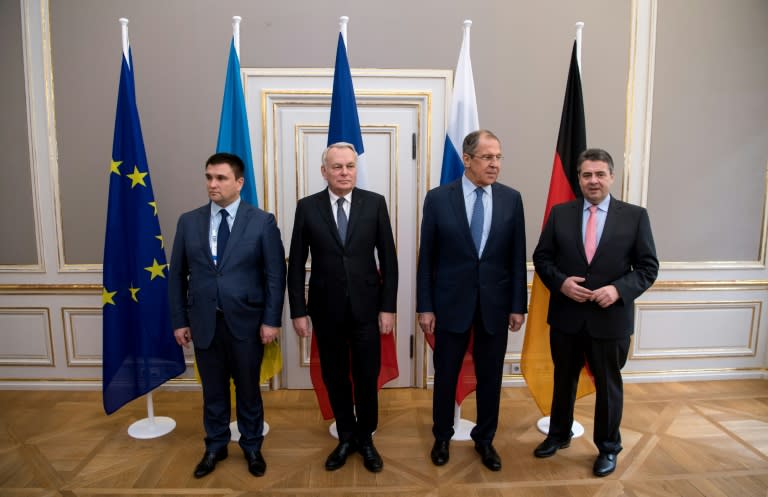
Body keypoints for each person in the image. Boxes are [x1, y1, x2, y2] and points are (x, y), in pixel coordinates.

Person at [532, 148, 658, 477]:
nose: (593, 180)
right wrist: (561, 284)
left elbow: (648, 268)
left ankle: (608, 448)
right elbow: (542, 258)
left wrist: (619, 290)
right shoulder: (560, 214)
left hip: (610, 319)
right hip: (567, 317)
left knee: (608, 386)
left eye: (600, 174)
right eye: (587, 174)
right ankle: (558, 435)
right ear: (579, 178)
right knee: (563, 380)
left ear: (611, 177)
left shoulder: (635, 216)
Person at [168, 152, 286, 478]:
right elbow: (176, 275)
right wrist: (179, 320)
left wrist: (271, 320)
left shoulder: (262, 222)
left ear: (239, 182)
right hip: (204, 324)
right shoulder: (189, 221)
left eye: (220, 178)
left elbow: (275, 276)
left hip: (247, 324)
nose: (212, 184)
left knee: (248, 389)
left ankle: (252, 447)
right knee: (213, 391)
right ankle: (215, 446)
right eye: (208, 177)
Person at [417, 129, 528, 471]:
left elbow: (516, 256)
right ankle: (442, 435)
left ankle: (486, 439)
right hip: (450, 304)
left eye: (498, 157)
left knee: (491, 377)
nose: (495, 164)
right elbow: (428, 259)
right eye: (487, 157)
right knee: (446, 373)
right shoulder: (438, 199)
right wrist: (425, 306)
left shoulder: (511, 199)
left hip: (495, 306)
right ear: (466, 160)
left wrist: (517, 305)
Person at [287, 142, 398, 473]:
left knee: (366, 376)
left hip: (368, 309)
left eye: (350, 166)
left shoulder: (374, 204)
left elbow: (388, 261)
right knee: (335, 376)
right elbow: (295, 264)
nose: (345, 172)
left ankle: (366, 438)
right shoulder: (307, 207)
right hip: (325, 309)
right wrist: (298, 310)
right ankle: (346, 436)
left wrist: (387, 307)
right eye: (337, 167)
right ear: (324, 172)